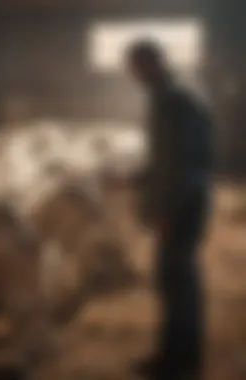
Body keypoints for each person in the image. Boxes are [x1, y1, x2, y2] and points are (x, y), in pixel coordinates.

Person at [126, 39, 213, 380]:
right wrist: (135, 179)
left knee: (176, 283)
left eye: (134, 68)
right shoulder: (174, 95)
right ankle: (179, 355)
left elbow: (181, 164)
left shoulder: (175, 100)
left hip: (181, 204)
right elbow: (165, 159)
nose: (132, 76)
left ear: (150, 64)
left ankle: (176, 361)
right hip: (185, 200)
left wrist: (166, 212)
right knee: (176, 282)